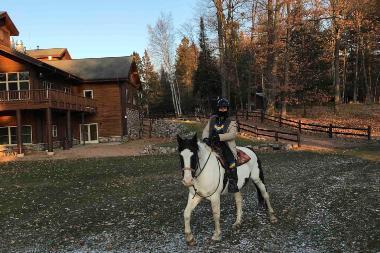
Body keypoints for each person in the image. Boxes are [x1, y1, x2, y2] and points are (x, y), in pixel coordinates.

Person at [202, 98, 239, 193]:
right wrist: (205, 138)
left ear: (227, 108)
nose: (222, 110)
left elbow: (233, 134)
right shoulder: (213, 119)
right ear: (218, 108)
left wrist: (219, 137)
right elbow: (206, 130)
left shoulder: (232, 120)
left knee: (230, 160)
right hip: (211, 143)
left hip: (225, 144)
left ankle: (233, 183)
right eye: (221, 108)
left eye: (224, 108)